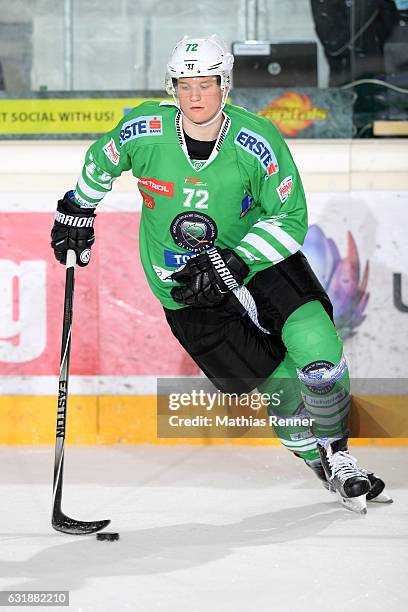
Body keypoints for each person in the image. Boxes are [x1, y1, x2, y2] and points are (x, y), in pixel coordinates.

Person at [50, 35, 391, 514]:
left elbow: (290, 217)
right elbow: (101, 161)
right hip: (183, 287)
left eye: (206, 83)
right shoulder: (143, 130)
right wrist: (78, 208)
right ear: (172, 87)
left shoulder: (257, 140)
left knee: (315, 345)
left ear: (225, 85)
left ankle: (341, 457)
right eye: (184, 84)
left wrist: (239, 259)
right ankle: (320, 463)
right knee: (279, 387)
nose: (195, 95)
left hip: (257, 261)